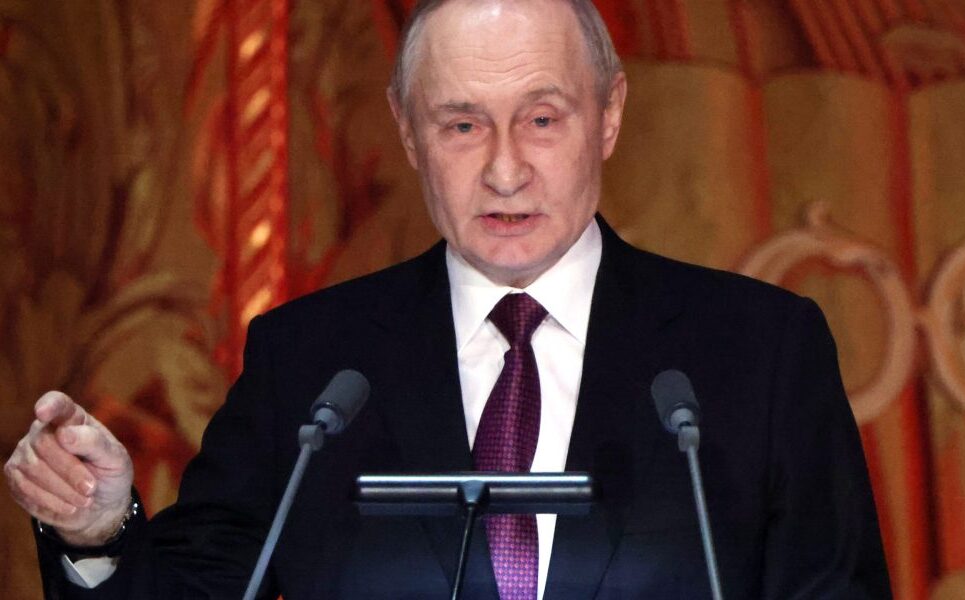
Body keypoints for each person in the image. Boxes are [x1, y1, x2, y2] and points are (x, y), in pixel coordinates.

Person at [4, 0, 891, 598]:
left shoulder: (762, 350)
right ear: (407, 130)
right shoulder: (309, 365)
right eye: (462, 124)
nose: (505, 170)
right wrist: (98, 531)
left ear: (610, 114)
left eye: (542, 120)